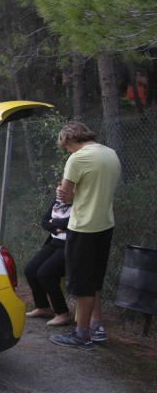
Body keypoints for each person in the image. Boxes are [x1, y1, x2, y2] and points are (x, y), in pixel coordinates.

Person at [50, 122, 121, 350]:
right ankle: (96, 326)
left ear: (69, 141)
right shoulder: (110, 153)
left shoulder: (77, 158)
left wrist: (63, 193)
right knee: (95, 280)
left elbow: (66, 197)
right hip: (105, 223)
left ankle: (81, 335)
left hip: (83, 227)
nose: (67, 151)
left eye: (66, 147)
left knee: (82, 284)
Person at [24, 190, 72, 325]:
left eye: (64, 187)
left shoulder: (80, 204)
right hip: (53, 242)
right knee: (30, 270)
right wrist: (58, 227)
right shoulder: (57, 201)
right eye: (59, 186)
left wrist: (55, 222)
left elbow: (72, 222)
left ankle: (62, 313)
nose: (60, 190)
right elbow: (44, 221)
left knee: (46, 273)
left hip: (69, 246)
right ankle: (43, 307)